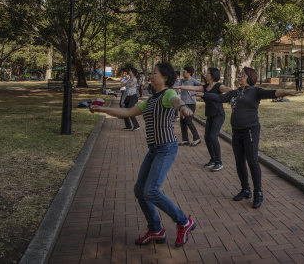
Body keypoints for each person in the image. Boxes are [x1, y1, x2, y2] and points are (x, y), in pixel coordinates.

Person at [89, 62, 197, 247]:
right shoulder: (152, 99)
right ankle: (155, 229)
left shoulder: (168, 93)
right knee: (140, 190)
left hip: (166, 147)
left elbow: (176, 101)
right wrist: (102, 109)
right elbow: (128, 112)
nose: (151, 75)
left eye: (154, 73)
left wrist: (182, 108)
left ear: (164, 77)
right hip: (154, 149)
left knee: (151, 190)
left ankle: (183, 222)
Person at [197, 67, 301, 209]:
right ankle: (245, 189)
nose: (240, 77)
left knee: (252, 161)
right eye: (239, 75)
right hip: (236, 131)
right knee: (239, 162)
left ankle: (258, 192)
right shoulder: (235, 92)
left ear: (250, 77)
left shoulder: (255, 91)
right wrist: (204, 94)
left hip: (250, 130)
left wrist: (287, 91)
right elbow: (220, 98)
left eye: (243, 75)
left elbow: (273, 93)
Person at [175, 67, 231, 171]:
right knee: (207, 137)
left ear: (213, 75)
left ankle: (219, 162)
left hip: (218, 115)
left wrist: (233, 91)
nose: (206, 74)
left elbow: (227, 90)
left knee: (213, 137)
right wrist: (178, 86)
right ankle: (213, 159)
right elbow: (191, 88)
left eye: (208, 73)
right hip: (210, 115)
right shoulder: (205, 87)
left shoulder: (219, 86)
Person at [177, 67, 202, 146]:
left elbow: (201, 87)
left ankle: (197, 138)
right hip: (183, 104)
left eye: (184, 72)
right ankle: (185, 139)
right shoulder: (182, 81)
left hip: (191, 104)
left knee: (188, 121)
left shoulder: (193, 81)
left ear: (189, 73)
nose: (183, 73)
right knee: (182, 122)